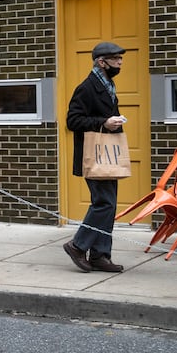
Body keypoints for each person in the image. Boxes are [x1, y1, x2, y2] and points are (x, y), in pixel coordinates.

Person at [63, 41, 127, 273]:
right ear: (102, 62)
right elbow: (73, 121)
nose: (120, 63)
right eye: (116, 59)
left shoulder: (108, 85)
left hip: (107, 155)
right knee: (103, 203)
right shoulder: (87, 87)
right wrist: (103, 122)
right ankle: (77, 245)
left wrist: (114, 121)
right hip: (94, 155)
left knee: (108, 205)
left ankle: (100, 255)